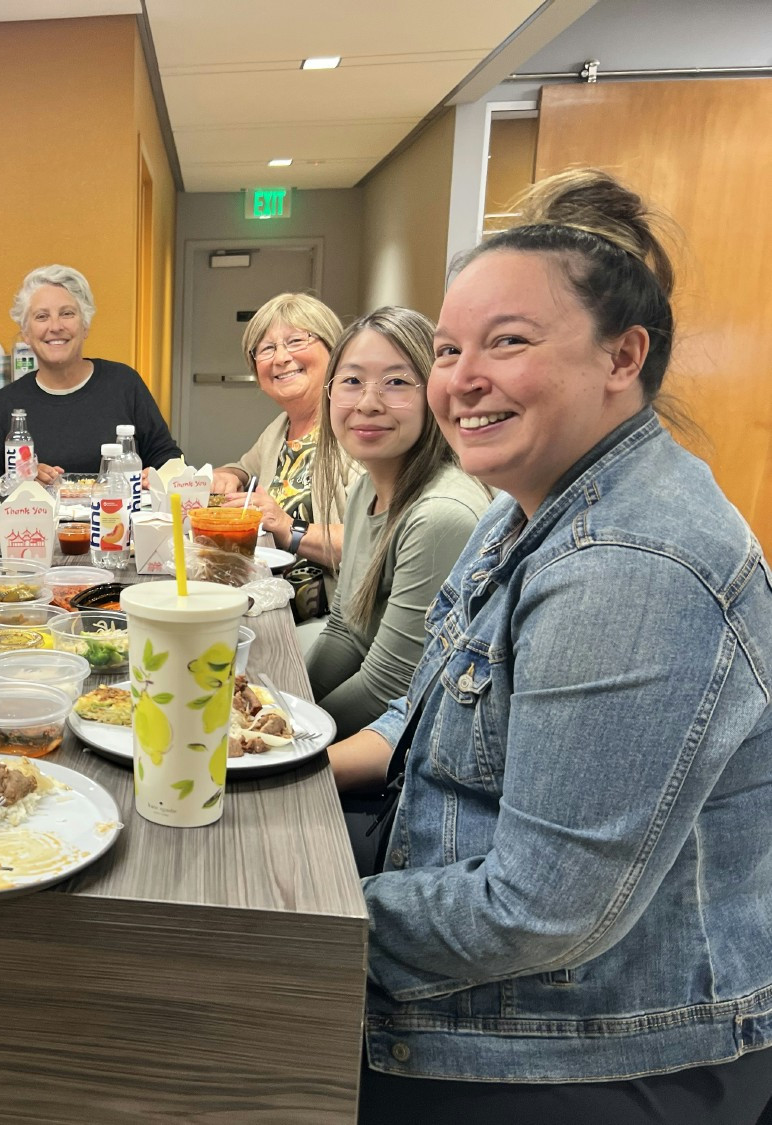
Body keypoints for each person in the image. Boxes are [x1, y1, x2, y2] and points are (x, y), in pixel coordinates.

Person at [325, 171, 772, 1123]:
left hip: (595, 1038)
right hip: (478, 914)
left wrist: (291, 926)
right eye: (447, 349)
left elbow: (537, 911)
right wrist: (299, 773)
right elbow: (422, 702)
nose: (460, 379)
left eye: (508, 343)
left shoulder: (631, 564)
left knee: (222, 1040)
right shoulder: (524, 504)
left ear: (624, 356)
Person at [305, 306, 490, 742]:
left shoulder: (439, 516)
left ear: (435, 392)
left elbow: (389, 687)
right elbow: (345, 631)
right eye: (351, 382)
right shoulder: (364, 490)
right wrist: (284, 701)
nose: (368, 403)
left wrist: (291, 734)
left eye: (397, 383)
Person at [210, 293, 360, 626]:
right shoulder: (282, 426)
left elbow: (375, 541)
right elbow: (245, 466)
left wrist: (287, 527)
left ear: (334, 351)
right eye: (266, 349)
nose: (281, 358)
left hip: (330, 623)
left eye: (295, 341)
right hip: (270, 604)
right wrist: (228, 475)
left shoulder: (355, 428)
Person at [0, 264, 181, 480]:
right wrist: (21, 478)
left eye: (67, 313)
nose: (55, 326)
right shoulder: (8, 402)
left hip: (116, 513)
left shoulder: (124, 384)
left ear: (85, 326)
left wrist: (161, 476)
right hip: (38, 514)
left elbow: (167, 458)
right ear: (26, 333)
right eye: (41, 316)